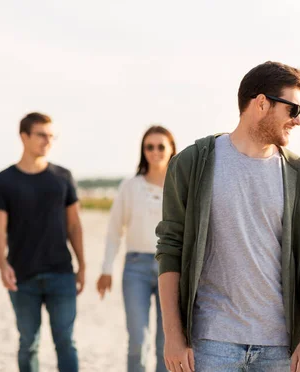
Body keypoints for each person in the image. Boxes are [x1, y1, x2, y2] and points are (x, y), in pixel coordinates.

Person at [155, 61, 300, 372]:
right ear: (261, 103)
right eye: (294, 110)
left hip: (280, 347)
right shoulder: (192, 163)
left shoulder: (299, 173)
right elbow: (170, 249)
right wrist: (173, 336)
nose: (298, 121)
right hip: (210, 342)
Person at [0, 112, 85, 372]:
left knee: (66, 342)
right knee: (28, 342)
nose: (48, 141)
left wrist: (82, 265)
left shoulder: (63, 177)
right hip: (22, 276)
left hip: (62, 274)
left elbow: (74, 225)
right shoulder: (2, 181)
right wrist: (2, 264)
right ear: (24, 136)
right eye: (42, 135)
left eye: (51, 136)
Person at [96, 125, 176, 372]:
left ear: (172, 148)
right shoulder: (130, 187)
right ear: (143, 151)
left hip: (172, 270)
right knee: (138, 341)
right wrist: (106, 269)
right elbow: (114, 231)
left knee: (168, 341)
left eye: (161, 146)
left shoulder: (182, 187)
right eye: (149, 147)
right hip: (136, 269)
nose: (155, 152)